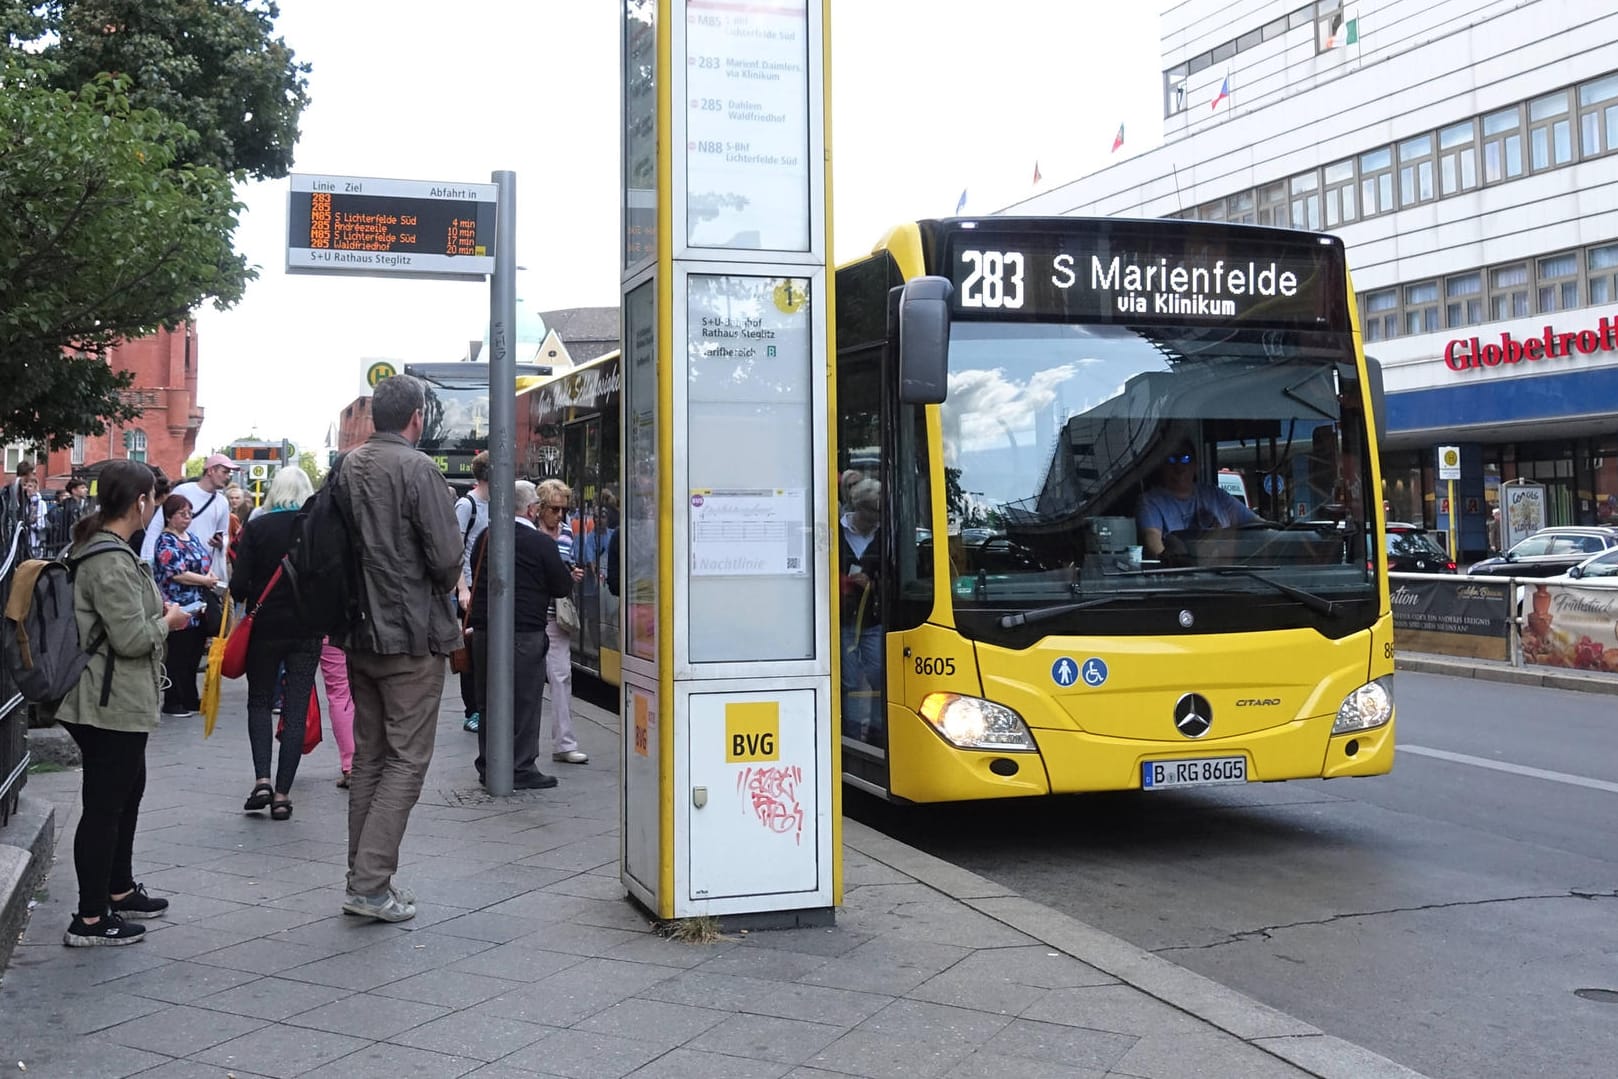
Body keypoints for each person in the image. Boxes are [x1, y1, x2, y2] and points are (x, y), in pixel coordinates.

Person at [338, 374, 463, 923]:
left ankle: (361, 876)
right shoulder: (419, 469)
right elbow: (444, 558)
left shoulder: (346, 468)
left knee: (370, 757)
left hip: (357, 631)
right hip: (410, 635)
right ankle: (369, 885)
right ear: (417, 418)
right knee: (406, 760)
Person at [57, 460, 193, 946]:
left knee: (126, 792)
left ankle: (117, 889)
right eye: (153, 498)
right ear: (139, 502)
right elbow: (132, 637)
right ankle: (90, 918)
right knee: (104, 805)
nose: (155, 506)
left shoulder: (107, 550)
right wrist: (170, 621)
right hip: (105, 699)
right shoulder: (108, 559)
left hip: (115, 696)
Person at [468, 480, 575, 789]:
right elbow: (561, 586)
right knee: (525, 701)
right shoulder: (541, 543)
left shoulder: (487, 537)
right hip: (526, 633)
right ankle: (520, 766)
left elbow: (474, 569)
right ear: (531, 509)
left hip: (486, 632)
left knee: (488, 701)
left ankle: (488, 763)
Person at [229, 467, 320, 820]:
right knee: (296, 707)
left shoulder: (257, 526)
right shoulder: (315, 530)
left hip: (263, 628)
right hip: (307, 628)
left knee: (260, 701)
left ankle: (262, 780)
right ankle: (283, 794)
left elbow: (238, 585)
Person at [535, 478, 588, 764]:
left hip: (557, 614)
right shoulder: (530, 531)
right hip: (531, 614)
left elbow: (564, 569)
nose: (559, 516)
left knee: (561, 677)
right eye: (554, 509)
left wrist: (572, 576)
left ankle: (564, 743)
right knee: (523, 681)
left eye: (563, 510)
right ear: (540, 508)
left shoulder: (567, 533)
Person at [1135, 440, 1259, 560]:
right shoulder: (1150, 502)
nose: (1179, 467)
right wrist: (1169, 562)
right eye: (1172, 459)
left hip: (1227, 574)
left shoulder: (1215, 495)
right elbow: (1152, 537)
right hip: (1180, 577)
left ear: (1196, 465)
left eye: (1185, 459)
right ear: (1161, 465)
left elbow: (1257, 524)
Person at [151, 493, 217, 718]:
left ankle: (190, 696)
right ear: (169, 517)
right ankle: (173, 700)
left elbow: (203, 561)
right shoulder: (165, 541)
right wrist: (204, 580)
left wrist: (209, 575)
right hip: (178, 606)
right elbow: (176, 573)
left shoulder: (192, 537)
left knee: (193, 655)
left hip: (199, 607)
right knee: (177, 655)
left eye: (189, 513)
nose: (187, 518)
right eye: (182, 514)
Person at [140, 454, 235, 588]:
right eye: (224, 472)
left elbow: (224, 534)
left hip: (204, 571)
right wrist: (147, 558)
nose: (227, 477)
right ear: (211, 470)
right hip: (175, 567)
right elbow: (158, 524)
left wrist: (220, 543)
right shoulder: (183, 491)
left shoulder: (223, 502)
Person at [839, 474, 883, 743]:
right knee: (851, 681)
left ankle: (878, 734)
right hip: (843, 620)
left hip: (872, 621)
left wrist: (874, 585)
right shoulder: (838, 530)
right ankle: (852, 736)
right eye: (873, 512)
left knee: (880, 676)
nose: (876, 519)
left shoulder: (883, 535)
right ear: (860, 508)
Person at [454, 451, 491, 733]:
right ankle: (472, 710)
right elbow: (454, 550)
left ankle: (487, 706)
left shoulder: (499, 504)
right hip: (471, 589)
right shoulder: (467, 505)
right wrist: (463, 589)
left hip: (492, 589)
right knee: (470, 651)